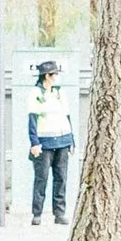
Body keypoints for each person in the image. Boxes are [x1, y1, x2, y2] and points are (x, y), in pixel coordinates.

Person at [27, 58, 74, 225]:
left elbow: (66, 117)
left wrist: (71, 140)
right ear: (47, 76)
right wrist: (34, 143)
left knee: (61, 178)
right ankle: (37, 213)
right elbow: (32, 119)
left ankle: (59, 213)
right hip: (44, 142)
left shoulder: (59, 93)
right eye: (54, 74)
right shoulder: (36, 94)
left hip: (62, 140)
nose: (56, 77)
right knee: (42, 178)